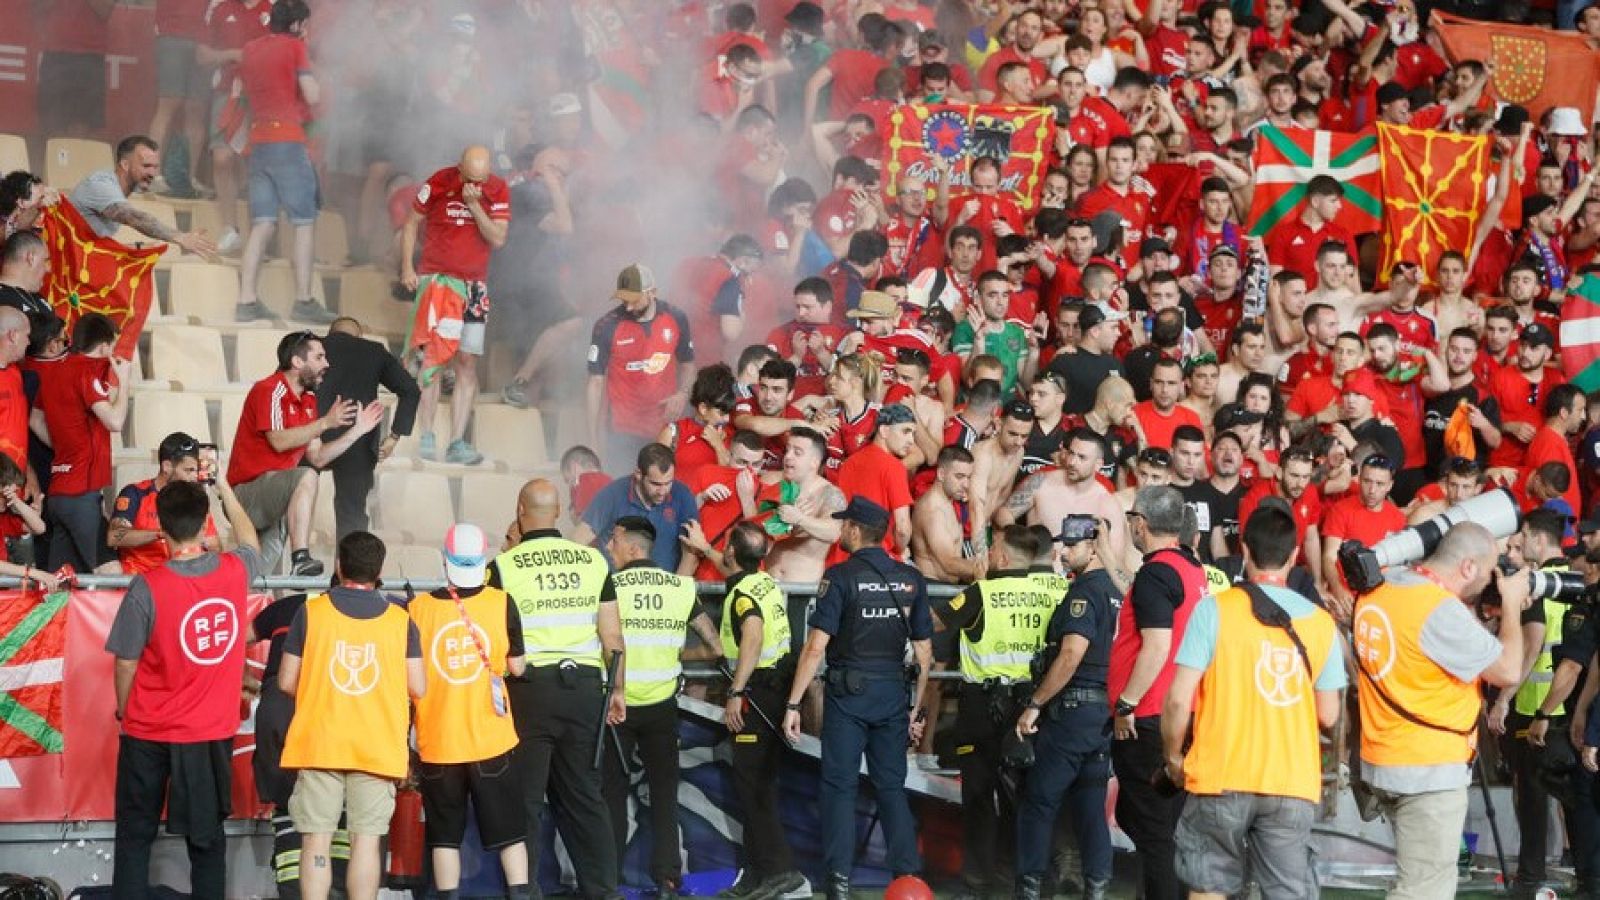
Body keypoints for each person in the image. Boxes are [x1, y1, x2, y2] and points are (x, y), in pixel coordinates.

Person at [1162, 505, 1346, 900]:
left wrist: (1173, 756)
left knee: (1208, 885)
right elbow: (1328, 715)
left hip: (1220, 775)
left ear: (1243, 550)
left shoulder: (1213, 609)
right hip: (1290, 780)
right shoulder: (1320, 622)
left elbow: (1178, 700)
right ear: (1295, 555)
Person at [1352, 523, 1532, 899]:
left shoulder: (1383, 584)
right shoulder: (1439, 611)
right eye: (1485, 574)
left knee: (1415, 881)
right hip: (1427, 771)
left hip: (1382, 757)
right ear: (1467, 568)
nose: (1488, 582)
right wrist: (1512, 606)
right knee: (1423, 891)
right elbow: (1508, 670)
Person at [106, 476, 260, 899]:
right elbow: (249, 540)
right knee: (207, 842)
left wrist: (125, 710)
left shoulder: (147, 587)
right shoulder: (234, 571)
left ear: (163, 528)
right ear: (206, 521)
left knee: (135, 839)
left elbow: (125, 661)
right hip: (209, 733)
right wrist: (225, 487)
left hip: (148, 732)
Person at [782, 497, 933, 900]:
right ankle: (908, 878)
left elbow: (815, 646)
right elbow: (924, 654)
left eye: (844, 525)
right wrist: (916, 710)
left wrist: (794, 703)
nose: (841, 531)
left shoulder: (840, 577)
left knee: (839, 787)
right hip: (893, 695)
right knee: (891, 788)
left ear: (853, 530)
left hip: (849, 695)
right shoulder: (910, 579)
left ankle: (838, 881)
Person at [490, 479, 625, 900]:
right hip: (584, 688)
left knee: (526, 798)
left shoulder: (504, 566)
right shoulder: (593, 562)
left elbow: (493, 636)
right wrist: (616, 690)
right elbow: (612, 636)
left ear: (519, 509)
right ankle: (603, 891)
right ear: (561, 511)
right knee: (585, 796)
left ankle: (523, 891)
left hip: (530, 689)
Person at [278, 532, 425, 900]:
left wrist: (321, 691)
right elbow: (418, 687)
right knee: (366, 841)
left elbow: (286, 681)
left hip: (320, 742)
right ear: (379, 572)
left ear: (339, 566)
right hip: (376, 746)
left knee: (316, 840)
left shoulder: (311, 612)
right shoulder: (399, 620)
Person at [933, 525, 1058, 899]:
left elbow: (933, 622)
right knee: (1028, 797)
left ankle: (978, 882)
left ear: (1001, 558)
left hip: (982, 708)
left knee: (978, 795)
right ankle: (1026, 878)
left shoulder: (982, 592)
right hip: (1032, 708)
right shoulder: (1050, 594)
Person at [409, 523, 532, 900]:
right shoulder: (501, 602)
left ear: (445, 562)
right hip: (490, 740)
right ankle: (521, 895)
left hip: (438, 743)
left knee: (444, 837)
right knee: (511, 832)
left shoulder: (417, 609)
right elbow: (518, 668)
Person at [602, 516, 720, 898]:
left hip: (617, 706)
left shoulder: (610, 587)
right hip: (662, 705)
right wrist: (678, 651)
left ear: (633, 548)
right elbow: (715, 646)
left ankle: (608, 880)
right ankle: (669, 878)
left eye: (615, 543)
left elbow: (604, 642)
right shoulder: (680, 588)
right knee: (665, 794)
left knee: (612, 795)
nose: (610, 549)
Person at [1107, 486, 1207, 900]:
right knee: (1155, 823)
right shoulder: (1192, 568)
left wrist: (1126, 703)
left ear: (1140, 524)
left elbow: (1157, 645)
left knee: (1154, 834)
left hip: (1147, 717)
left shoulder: (1156, 573)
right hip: (1181, 714)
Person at [1014, 515, 1118, 900]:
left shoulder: (1084, 593)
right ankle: (1098, 887)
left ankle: (1030, 887)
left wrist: (1034, 704)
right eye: (1064, 543)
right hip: (1102, 712)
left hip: (1073, 710)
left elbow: (1072, 654)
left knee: (1039, 800)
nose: (1063, 550)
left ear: (1094, 547)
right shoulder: (1117, 590)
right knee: (1090, 806)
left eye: (1073, 545)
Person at [228, 330, 385, 575]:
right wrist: (325, 423)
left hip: (276, 499)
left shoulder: (309, 401)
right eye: (320, 357)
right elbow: (278, 441)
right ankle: (300, 557)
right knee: (307, 475)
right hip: (246, 496)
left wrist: (357, 431)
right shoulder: (270, 389)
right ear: (297, 362)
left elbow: (318, 456)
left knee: (257, 578)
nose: (327, 364)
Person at [399, 145, 511, 465]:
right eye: (471, 179)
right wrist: (408, 267)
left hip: (474, 288)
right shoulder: (439, 182)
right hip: (437, 283)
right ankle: (426, 435)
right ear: (460, 168)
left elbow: (498, 238)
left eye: (482, 178)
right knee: (431, 361)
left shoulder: (497, 189)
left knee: (467, 362)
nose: (477, 184)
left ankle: (458, 441)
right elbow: (410, 224)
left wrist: (475, 206)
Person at [715, 522, 807, 899]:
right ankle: (756, 875)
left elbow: (751, 637)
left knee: (754, 788)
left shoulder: (741, 595)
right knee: (758, 784)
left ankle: (779, 870)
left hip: (756, 694)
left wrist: (736, 691)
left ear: (733, 553)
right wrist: (708, 548)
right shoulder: (763, 581)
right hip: (775, 689)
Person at [234, 0, 338, 326]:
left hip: (259, 142)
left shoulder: (250, 48)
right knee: (304, 223)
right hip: (288, 142)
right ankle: (304, 300)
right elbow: (312, 95)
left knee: (262, 224)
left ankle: (246, 300)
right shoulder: (295, 47)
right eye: (304, 24)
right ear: (296, 25)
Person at [25, 311, 131, 572]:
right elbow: (115, 422)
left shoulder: (54, 373)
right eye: (113, 347)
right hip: (81, 494)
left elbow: (35, 420)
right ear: (104, 345)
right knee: (112, 577)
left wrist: (65, 445)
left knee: (62, 586)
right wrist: (125, 381)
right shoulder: (87, 373)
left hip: (58, 495)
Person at [316, 317, 420, 539]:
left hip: (311, 436)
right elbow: (410, 390)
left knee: (294, 502)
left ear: (330, 333)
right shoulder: (373, 351)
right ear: (359, 335)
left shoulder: (312, 348)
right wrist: (393, 437)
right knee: (351, 516)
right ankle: (350, 570)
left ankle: (290, 565)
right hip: (358, 444)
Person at [588, 264, 698, 470]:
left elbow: (688, 365)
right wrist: (593, 441)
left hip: (663, 428)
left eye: (634, 301)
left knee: (660, 490)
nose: (628, 308)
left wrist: (683, 394)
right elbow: (595, 382)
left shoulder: (676, 318)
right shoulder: (606, 326)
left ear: (652, 293)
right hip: (622, 429)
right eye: (624, 301)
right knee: (623, 488)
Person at [69, 135, 217, 258]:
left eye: (155, 167)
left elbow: (92, 244)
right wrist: (179, 237)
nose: (152, 174)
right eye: (146, 166)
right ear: (125, 165)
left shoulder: (122, 188)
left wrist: (132, 248)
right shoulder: (101, 185)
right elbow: (133, 217)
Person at [576, 443, 700, 574]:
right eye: (655, 484)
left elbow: (691, 555)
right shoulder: (613, 494)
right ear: (638, 474)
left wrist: (674, 592)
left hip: (664, 588)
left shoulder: (682, 495)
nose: (663, 491)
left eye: (668, 483)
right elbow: (579, 539)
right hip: (618, 588)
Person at [109, 432, 220, 574]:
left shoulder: (195, 498)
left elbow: (215, 547)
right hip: (140, 578)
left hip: (183, 578)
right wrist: (164, 533)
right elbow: (114, 537)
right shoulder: (135, 493)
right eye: (188, 470)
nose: (194, 477)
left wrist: (199, 539)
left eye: (196, 471)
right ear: (167, 466)